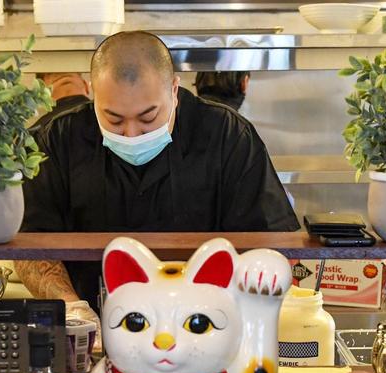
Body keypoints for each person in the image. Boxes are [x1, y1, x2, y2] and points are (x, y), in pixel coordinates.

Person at [16, 31, 298, 321]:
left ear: (174, 90)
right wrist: (72, 309)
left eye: (148, 118)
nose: (131, 133)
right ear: (93, 94)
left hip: (208, 329)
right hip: (92, 331)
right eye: (113, 119)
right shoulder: (58, 140)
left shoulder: (228, 136)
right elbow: (32, 245)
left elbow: (271, 244)